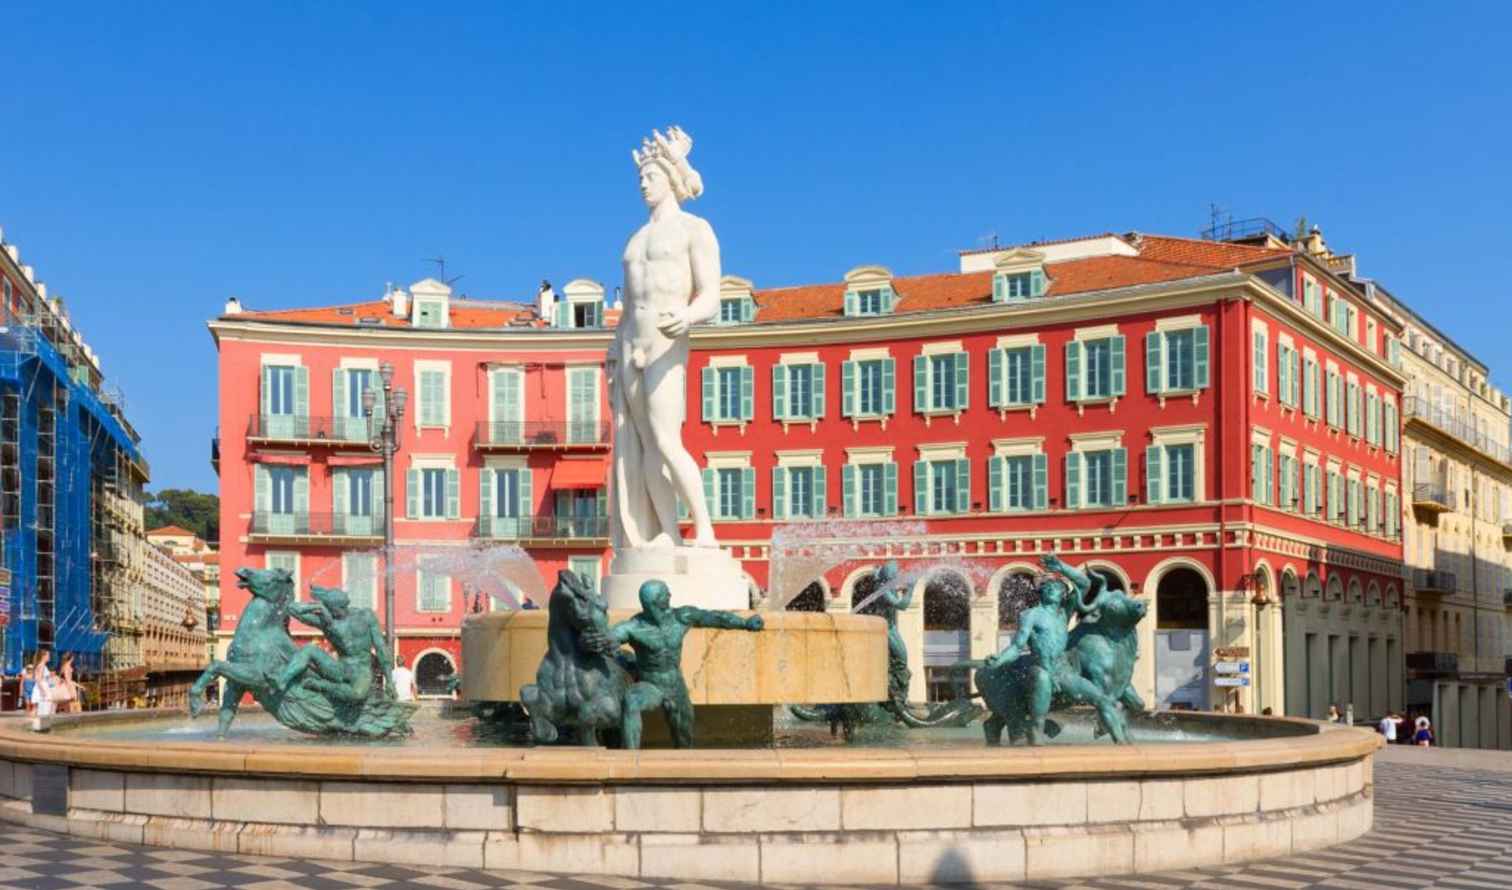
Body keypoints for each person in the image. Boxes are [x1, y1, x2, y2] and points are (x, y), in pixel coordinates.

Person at [608, 126, 723, 549]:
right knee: (644, 446)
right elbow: (629, 304)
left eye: (650, 177)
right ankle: (668, 535)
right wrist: (613, 349)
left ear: (670, 180)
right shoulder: (635, 240)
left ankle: (705, 530)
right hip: (630, 345)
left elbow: (712, 292)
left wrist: (688, 315)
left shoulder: (695, 229)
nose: (642, 183)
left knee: (667, 439)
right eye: (639, 178)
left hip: (665, 340)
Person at [594, 579, 763, 748]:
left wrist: (744, 623)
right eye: (665, 594)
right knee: (632, 701)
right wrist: (602, 640)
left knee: (684, 739)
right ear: (655, 602)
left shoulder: (681, 617)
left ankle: (685, 767)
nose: (670, 595)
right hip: (651, 685)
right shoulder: (634, 627)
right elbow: (612, 636)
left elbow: (715, 617)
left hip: (676, 687)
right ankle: (630, 761)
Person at [29, 648, 54, 732]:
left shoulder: (40, 665)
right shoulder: (42, 665)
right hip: (42, 687)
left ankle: (33, 725)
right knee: (43, 706)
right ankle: (36, 725)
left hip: (41, 687)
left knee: (36, 708)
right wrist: (42, 690)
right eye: (48, 655)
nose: (49, 656)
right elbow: (38, 679)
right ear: (43, 656)